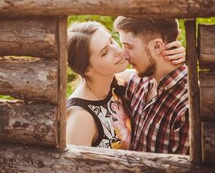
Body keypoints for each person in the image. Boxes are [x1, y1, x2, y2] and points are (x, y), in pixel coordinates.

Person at [66, 21, 185, 149]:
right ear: (87, 70)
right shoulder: (80, 117)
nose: (118, 50)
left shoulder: (117, 82)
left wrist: (169, 54)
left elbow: (157, 70)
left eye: (111, 41)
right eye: (104, 52)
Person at [114, 16, 189, 154]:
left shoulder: (187, 106)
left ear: (157, 46)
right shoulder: (138, 81)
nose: (123, 54)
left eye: (128, 47)